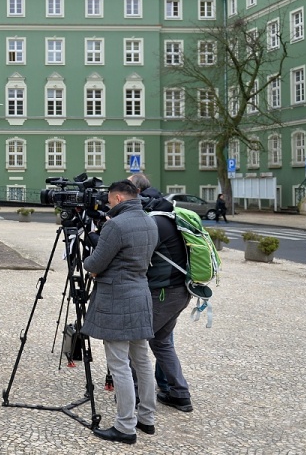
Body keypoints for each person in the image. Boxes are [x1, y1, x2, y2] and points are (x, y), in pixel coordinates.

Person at [81, 180, 158, 445]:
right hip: (140, 294)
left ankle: (125, 426)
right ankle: (147, 418)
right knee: (142, 360)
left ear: (117, 198)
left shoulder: (115, 225)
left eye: (110, 201)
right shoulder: (150, 221)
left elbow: (96, 262)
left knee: (119, 365)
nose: (108, 205)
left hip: (117, 299)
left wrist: (87, 261)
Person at [129, 173, 194, 413]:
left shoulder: (153, 221)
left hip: (163, 294)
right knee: (162, 342)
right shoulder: (165, 213)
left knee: (133, 340)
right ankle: (180, 394)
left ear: (136, 195)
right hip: (179, 292)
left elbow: (133, 254)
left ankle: (134, 396)